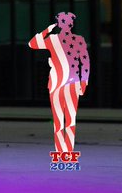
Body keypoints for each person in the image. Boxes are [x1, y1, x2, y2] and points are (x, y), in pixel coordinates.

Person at [28, 12, 90, 153]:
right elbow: (32, 44)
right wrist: (48, 30)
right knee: (60, 119)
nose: (66, 24)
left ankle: (66, 151)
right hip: (57, 82)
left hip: (71, 82)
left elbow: (85, 62)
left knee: (68, 119)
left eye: (67, 21)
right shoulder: (53, 39)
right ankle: (62, 151)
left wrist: (84, 82)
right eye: (63, 21)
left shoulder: (76, 40)